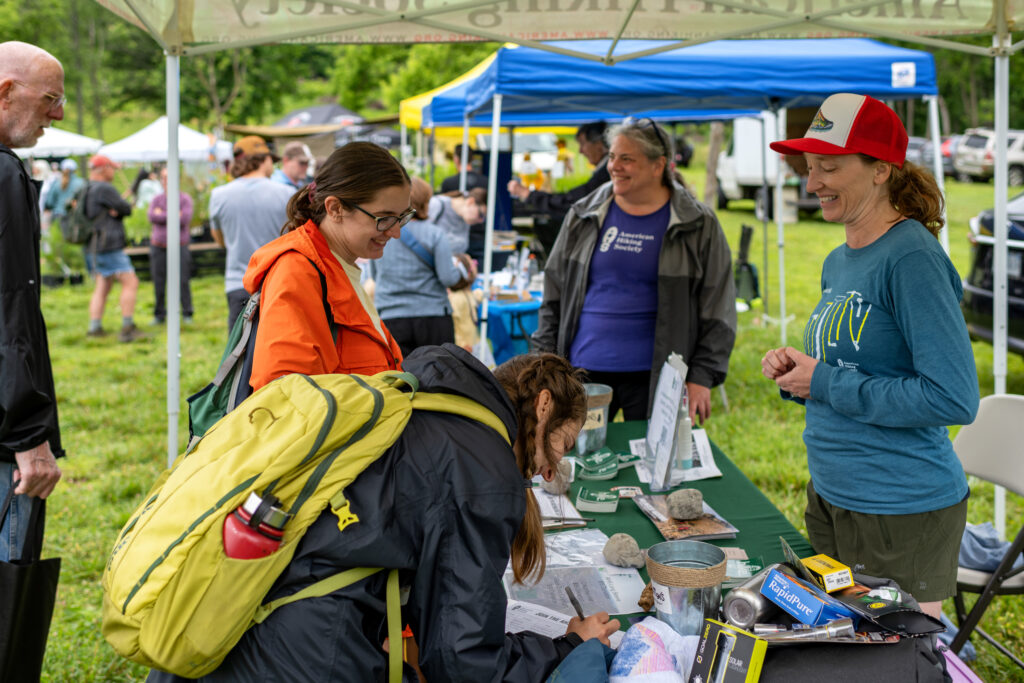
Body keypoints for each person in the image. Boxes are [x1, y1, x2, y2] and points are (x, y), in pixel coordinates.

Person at [146, 347, 619, 683]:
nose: (553, 467)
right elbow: (463, 662)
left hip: (238, 608)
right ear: (542, 406)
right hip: (305, 648)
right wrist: (566, 648)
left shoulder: (430, 404)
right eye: (563, 443)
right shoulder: (484, 471)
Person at [760, 93, 979, 620]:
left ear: (880, 169)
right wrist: (800, 378)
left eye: (829, 167)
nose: (812, 183)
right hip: (833, 493)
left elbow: (953, 397)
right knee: (848, 650)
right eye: (810, 168)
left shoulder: (912, 258)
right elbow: (854, 368)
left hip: (900, 505)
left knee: (895, 661)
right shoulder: (839, 261)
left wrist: (827, 382)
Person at [533, 117, 736, 424]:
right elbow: (554, 293)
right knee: (579, 460)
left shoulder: (698, 224)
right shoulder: (584, 214)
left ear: (659, 166)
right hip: (583, 372)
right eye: (612, 157)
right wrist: (544, 364)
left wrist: (702, 375)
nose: (614, 166)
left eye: (627, 159)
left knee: (652, 468)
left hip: (657, 377)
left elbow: (718, 305)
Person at [242, 141, 409, 392]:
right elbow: (285, 396)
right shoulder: (297, 272)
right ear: (335, 208)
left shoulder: (334, 265)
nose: (395, 232)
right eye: (384, 218)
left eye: (402, 217)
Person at [0, 40, 65, 561]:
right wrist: (28, 436)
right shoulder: (5, 175)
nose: (58, 114)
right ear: (6, 92)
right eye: (49, 99)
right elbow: (8, 308)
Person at [364, 177, 469, 356]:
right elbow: (448, 278)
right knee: (439, 377)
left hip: (391, 316)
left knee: (398, 379)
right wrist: (460, 269)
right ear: (425, 202)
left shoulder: (381, 234)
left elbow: (374, 274)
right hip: (433, 315)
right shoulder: (435, 234)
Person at [209, 135, 293, 330]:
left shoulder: (219, 195)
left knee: (239, 353)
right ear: (263, 160)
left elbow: (219, 239)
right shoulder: (286, 193)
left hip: (238, 283)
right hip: (277, 283)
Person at [507, 122, 611, 255]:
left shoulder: (607, 173)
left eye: (583, 144)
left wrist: (528, 194)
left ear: (599, 144)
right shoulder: (604, 172)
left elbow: (572, 203)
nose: (580, 151)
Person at [84, 154, 146, 343]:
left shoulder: (87, 187)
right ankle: (127, 328)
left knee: (103, 284)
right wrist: (118, 210)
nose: (114, 171)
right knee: (130, 282)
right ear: (103, 169)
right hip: (108, 244)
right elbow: (125, 208)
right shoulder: (104, 188)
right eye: (112, 167)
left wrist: (116, 209)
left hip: (93, 246)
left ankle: (95, 327)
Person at [147, 167, 194, 325]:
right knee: (159, 281)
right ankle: (159, 314)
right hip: (159, 246)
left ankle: (187, 313)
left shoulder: (184, 199)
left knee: (183, 280)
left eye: (169, 177)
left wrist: (162, 214)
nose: (165, 181)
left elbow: (184, 219)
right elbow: (151, 216)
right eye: (163, 178)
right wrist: (174, 214)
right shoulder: (157, 199)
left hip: (179, 245)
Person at [428, 186, 486, 256]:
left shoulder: (465, 218)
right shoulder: (437, 204)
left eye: (484, 218)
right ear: (471, 202)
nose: (481, 221)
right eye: (481, 215)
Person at [43, 157, 84, 235]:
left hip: (58, 217)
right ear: (75, 170)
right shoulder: (81, 183)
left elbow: (49, 202)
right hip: (75, 217)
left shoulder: (56, 183)